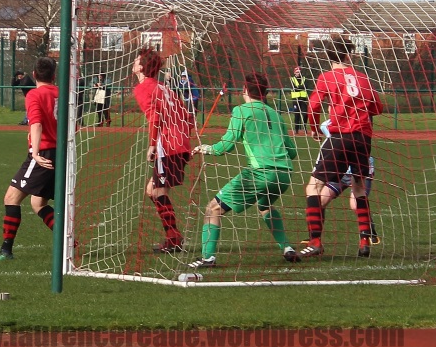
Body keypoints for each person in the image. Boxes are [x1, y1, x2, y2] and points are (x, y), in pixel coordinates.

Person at [189, 72, 301, 267]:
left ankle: (208, 258)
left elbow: (225, 146)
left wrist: (205, 148)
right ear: (265, 92)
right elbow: (292, 151)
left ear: (245, 90)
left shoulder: (241, 111)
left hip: (261, 173)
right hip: (284, 174)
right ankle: (287, 248)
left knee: (213, 208)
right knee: (265, 206)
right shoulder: (275, 114)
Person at [301, 37, 383, 259]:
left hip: (340, 136)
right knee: (359, 188)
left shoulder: (326, 77)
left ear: (329, 56)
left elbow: (313, 106)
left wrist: (314, 128)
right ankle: (364, 240)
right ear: (349, 54)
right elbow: (378, 107)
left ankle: (315, 241)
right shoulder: (363, 77)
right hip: (363, 139)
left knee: (313, 187)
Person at [0, 57, 60, 261]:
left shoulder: (35, 94)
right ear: (54, 76)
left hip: (43, 153)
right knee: (38, 203)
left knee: (11, 198)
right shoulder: (62, 94)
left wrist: (35, 153)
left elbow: (36, 124)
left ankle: (6, 250)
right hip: (60, 153)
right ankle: (70, 242)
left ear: (34, 75)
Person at [132, 48, 196, 254]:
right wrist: (184, 140)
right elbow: (187, 116)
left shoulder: (143, 88)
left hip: (167, 146)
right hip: (178, 144)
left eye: (137, 60)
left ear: (142, 67)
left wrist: (152, 144)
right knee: (152, 190)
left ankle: (173, 238)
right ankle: (173, 236)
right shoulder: (164, 88)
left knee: (158, 191)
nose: (134, 63)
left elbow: (155, 117)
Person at [289, 67, 312, 134]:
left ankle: (304, 127)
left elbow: (306, 86)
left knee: (305, 114)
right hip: (295, 100)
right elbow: (294, 88)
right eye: (297, 72)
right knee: (297, 115)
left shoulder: (304, 79)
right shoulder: (292, 79)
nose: (298, 73)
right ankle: (296, 130)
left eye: (299, 72)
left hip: (303, 99)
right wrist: (301, 87)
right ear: (294, 72)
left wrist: (299, 87)